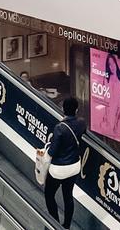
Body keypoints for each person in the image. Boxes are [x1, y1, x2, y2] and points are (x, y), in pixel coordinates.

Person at [40, 97, 86, 229]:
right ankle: (66, 226)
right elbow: (82, 132)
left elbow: (52, 152)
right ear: (76, 109)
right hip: (75, 166)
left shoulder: (60, 127)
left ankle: (54, 223)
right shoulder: (82, 123)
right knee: (68, 196)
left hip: (59, 169)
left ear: (63, 109)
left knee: (49, 194)